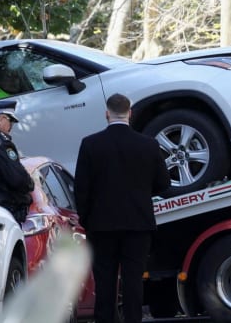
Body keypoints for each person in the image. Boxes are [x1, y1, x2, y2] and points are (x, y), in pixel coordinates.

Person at [74, 93, 170, 323]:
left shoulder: (90, 144)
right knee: (133, 281)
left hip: (101, 226)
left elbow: (81, 188)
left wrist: (87, 219)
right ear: (130, 114)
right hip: (138, 225)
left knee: (105, 281)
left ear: (107, 114)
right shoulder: (149, 144)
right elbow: (164, 183)